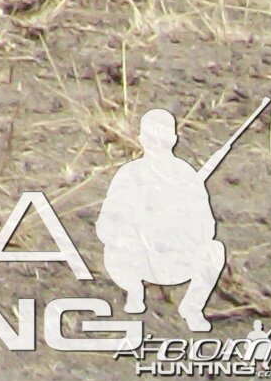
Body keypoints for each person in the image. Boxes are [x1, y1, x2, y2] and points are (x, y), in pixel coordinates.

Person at [96, 110, 229, 330]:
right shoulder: (129, 174)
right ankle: (134, 292)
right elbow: (106, 225)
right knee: (116, 248)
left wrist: (179, 230)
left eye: (163, 139)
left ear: (173, 140)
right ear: (141, 140)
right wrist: (132, 232)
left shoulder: (187, 176)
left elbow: (208, 228)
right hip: (136, 258)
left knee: (214, 250)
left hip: (176, 260)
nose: (157, 144)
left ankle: (193, 307)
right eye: (152, 138)